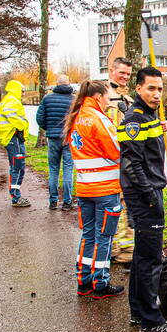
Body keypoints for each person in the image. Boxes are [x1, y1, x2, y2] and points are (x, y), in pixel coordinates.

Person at [118, 67, 167, 332]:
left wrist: (158, 126)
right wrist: (149, 196)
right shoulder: (134, 119)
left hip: (149, 191)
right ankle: (151, 321)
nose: (157, 94)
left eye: (160, 89)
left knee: (142, 256)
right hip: (144, 195)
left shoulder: (148, 116)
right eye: (151, 89)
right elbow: (131, 163)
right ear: (138, 89)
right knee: (150, 258)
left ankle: (138, 311)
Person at [63, 80, 125, 299]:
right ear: (98, 97)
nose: (109, 102)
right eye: (107, 97)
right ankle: (101, 283)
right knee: (104, 237)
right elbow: (116, 150)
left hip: (84, 188)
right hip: (105, 189)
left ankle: (84, 281)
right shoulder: (99, 119)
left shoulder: (76, 117)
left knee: (88, 235)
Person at [104, 57, 136, 267]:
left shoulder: (129, 98)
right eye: (121, 72)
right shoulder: (104, 97)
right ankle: (113, 250)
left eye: (128, 74)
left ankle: (126, 252)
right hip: (111, 160)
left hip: (127, 159)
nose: (125, 77)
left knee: (127, 204)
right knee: (113, 204)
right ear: (111, 71)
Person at [36, 75, 76, 210]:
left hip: (53, 138)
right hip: (68, 137)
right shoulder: (74, 100)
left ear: (57, 84)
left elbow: (39, 118)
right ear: (68, 83)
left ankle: (53, 201)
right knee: (68, 168)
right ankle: (67, 202)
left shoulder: (47, 98)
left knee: (53, 169)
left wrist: (49, 128)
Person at [0, 80, 31, 207]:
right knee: (18, 167)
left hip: (12, 137)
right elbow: (15, 118)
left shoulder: (8, 99)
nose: (23, 93)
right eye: (22, 90)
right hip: (13, 137)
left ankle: (16, 195)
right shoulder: (12, 101)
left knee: (16, 167)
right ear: (16, 89)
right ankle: (16, 197)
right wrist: (23, 125)